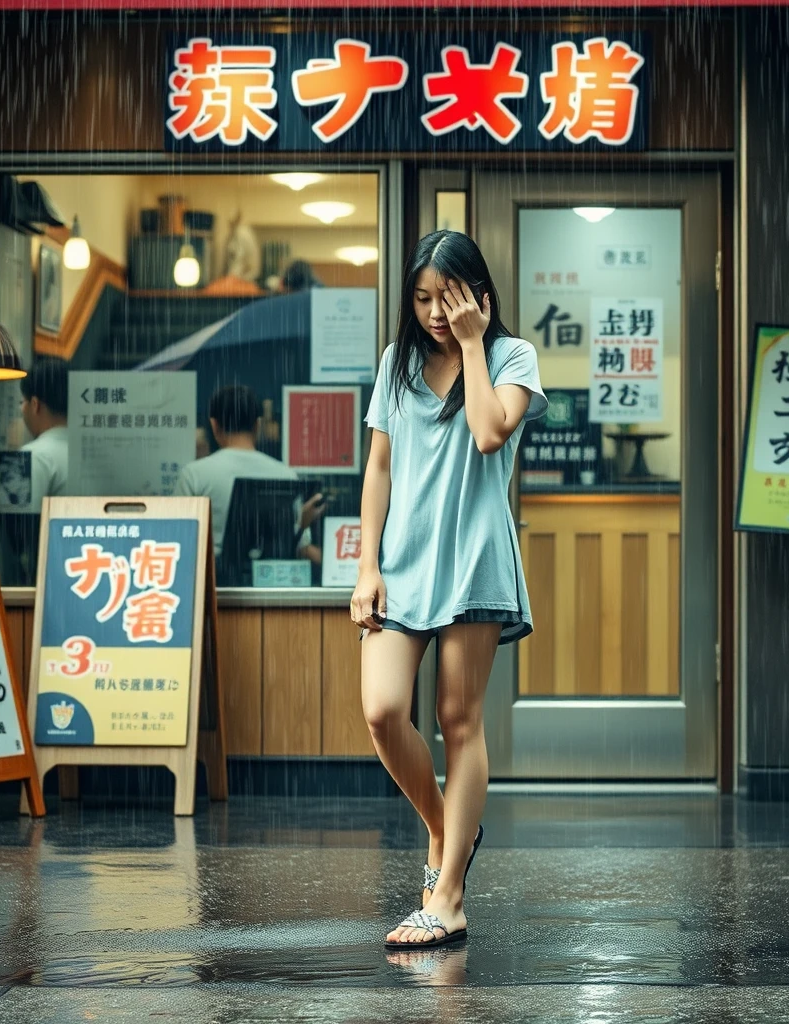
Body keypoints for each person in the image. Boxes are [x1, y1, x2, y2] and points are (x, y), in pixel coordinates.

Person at [351, 231, 547, 950]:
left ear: (479, 293)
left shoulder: (512, 357)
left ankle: (449, 897)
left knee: (458, 721)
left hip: (473, 565)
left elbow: (490, 432)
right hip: (400, 567)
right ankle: (445, 830)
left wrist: (471, 344)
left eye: (450, 297)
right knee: (382, 712)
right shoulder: (396, 364)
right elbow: (379, 467)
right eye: (424, 298)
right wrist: (366, 565)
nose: (436, 311)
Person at [176, 385, 325, 563]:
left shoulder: (193, 475)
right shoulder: (285, 476)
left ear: (214, 425)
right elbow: (302, 547)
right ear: (257, 425)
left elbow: (179, 539)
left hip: (212, 582)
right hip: (270, 581)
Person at [20, 356, 70, 512]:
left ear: (35, 405)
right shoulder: (96, 453)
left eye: (23, 402)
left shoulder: (29, 457)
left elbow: (15, 528)